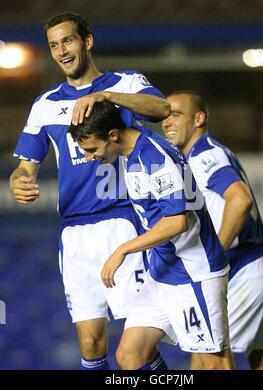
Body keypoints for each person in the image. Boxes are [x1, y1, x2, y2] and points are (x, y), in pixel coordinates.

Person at [9, 12, 171, 370]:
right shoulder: (46, 105)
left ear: (87, 41)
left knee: (136, 348)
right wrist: (19, 180)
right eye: (54, 45)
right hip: (76, 233)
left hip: (125, 223)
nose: (62, 51)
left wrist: (106, 97)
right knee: (90, 342)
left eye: (68, 40)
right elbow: (25, 166)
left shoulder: (125, 84)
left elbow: (162, 108)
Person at [69, 100, 236, 370]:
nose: (89, 158)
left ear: (113, 135)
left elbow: (176, 222)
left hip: (194, 274)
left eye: (91, 150)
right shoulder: (131, 146)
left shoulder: (153, 156)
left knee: (214, 363)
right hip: (163, 272)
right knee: (131, 355)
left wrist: (122, 250)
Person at [162, 90, 263, 370]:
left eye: (175, 114)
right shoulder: (212, 151)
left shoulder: (205, 156)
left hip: (242, 269)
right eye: (163, 116)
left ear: (199, 118)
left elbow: (240, 199)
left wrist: (215, 255)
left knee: (207, 362)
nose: (167, 122)